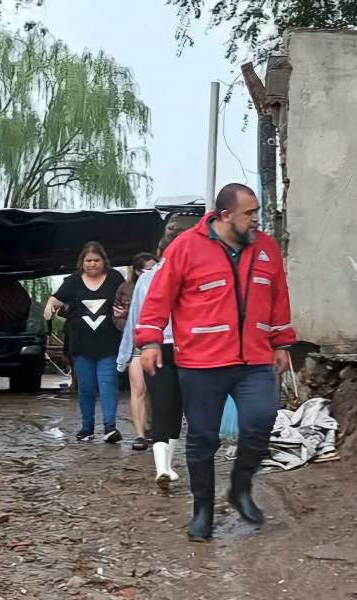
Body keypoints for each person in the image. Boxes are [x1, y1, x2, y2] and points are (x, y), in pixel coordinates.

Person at [136, 183, 297, 541]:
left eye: (257, 212)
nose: (257, 220)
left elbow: (278, 298)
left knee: (260, 422)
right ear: (226, 216)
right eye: (249, 213)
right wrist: (149, 342)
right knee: (203, 438)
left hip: (254, 359)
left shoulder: (267, 249)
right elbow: (158, 298)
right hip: (202, 362)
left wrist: (282, 342)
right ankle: (203, 511)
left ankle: (239, 488)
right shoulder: (186, 248)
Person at [119, 231, 186, 487]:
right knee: (176, 406)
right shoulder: (191, 274)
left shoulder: (146, 279)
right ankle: (167, 465)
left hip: (153, 345)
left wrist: (130, 352)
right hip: (183, 347)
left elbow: (137, 318)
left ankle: (162, 467)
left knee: (160, 404)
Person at [44, 242, 125, 443]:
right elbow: (57, 298)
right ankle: (87, 428)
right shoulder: (73, 281)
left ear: (103, 261)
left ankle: (110, 427)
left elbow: (126, 300)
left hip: (108, 342)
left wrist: (124, 311)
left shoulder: (115, 278)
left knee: (108, 383)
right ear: (82, 262)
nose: (92, 264)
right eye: (88, 260)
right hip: (81, 343)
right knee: (86, 386)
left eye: (96, 260)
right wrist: (49, 306)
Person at [114, 252, 158, 450]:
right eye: (149, 268)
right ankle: (140, 435)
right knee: (138, 389)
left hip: (158, 343)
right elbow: (119, 317)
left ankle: (152, 428)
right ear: (139, 271)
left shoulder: (164, 284)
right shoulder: (126, 289)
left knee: (156, 391)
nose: (154, 271)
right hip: (137, 343)